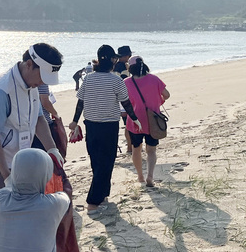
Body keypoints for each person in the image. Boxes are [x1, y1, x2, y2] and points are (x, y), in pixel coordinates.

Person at [0, 44, 65, 252]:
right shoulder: (0, 91)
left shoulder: (32, 87)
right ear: (29, 64)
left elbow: (39, 119)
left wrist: (52, 148)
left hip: (18, 165)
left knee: (19, 221)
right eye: (42, 77)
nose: (43, 84)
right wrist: (6, 176)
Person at [68, 45, 142, 217]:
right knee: (106, 162)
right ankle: (93, 203)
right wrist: (135, 118)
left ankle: (103, 195)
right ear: (110, 60)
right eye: (114, 58)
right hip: (108, 126)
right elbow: (126, 103)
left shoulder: (88, 79)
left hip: (91, 125)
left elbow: (81, 102)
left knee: (96, 160)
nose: (116, 61)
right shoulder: (116, 80)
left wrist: (74, 120)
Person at [124, 56, 170, 187]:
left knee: (136, 149)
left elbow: (124, 101)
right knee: (151, 150)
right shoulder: (154, 79)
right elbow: (167, 94)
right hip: (153, 119)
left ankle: (140, 177)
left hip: (135, 121)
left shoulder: (127, 82)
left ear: (130, 67)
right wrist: (158, 101)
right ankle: (150, 176)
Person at [115, 45, 132, 154]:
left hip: (115, 99)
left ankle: (126, 147)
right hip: (123, 99)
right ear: (126, 56)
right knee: (128, 124)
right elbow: (125, 81)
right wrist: (128, 69)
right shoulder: (122, 67)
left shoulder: (114, 65)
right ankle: (130, 147)